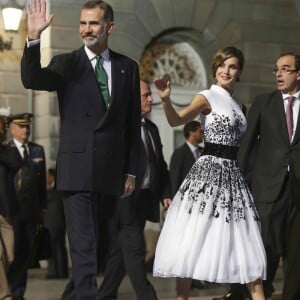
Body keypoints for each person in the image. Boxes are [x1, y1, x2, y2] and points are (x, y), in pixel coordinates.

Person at [20, 1, 141, 299]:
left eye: (94, 24)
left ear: (109, 27)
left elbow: (131, 125)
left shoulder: (128, 68)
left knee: (97, 250)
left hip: (111, 173)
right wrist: (33, 38)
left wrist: (131, 170)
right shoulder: (67, 63)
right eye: (83, 23)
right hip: (76, 171)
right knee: (84, 247)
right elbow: (32, 78)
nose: (87, 29)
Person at [152, 46, 266, 300]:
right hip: (208, 175)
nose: (226, 71)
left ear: (240, 72)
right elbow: (175, 120)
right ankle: (182, 297)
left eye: (232, 66)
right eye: (222, 65)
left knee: (245, 243)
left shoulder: (239, 105)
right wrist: (165, 99)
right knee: (193, 240)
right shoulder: (206, 96)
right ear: (215, 69)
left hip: (233, 178)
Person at [98, 79, 172, 300]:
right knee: (136, 251)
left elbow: (160, 165)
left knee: (121, 255)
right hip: (123, 202)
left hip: (143, 201)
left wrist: (166, 194)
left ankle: (104, 295)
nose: (151, 98)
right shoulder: (118, 127)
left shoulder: (151, 129)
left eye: (150, 94)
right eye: (145, 95)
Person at [237, 52, 300, 300]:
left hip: (298, 192)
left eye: (285, 69)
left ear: (298, 74)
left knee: (296, 256)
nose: (279, 74)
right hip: (267, 190)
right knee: (264, 251)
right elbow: (246, 147)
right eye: (277, 69)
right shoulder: (264, 102)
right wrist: (239, 187)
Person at [7, 113, 47, 300]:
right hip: (10, 212)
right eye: (21, 126)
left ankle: (18, 292)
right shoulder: (4, 149)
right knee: (10, 254)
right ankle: (7, 289)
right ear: (12, 129)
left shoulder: (37, 150)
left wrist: (43, 209)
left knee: (25, 254)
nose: (26, 130)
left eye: (28, 127)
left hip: (30, 211)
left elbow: (41, 186)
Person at [0, 116, 23, 300]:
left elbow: (16, 163)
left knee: (10, 255)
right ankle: (5, 295)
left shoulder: (8, 150)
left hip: (5, 211)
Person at [44, 168, 68, 279]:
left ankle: (55, 272)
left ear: (52, 177)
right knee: (59, 247)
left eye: (47, 176)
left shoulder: (54, 192)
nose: (46, 178)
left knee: (56, 248)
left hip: (55, 223)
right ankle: (61, 271)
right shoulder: (58, 190)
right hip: (57, 223)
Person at [169, 120, 203, 197]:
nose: (203, 134)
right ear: (191, 133)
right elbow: (175, 179)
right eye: (200, 131)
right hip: (185, 197)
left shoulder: (204, 152)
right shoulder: (179, 153)